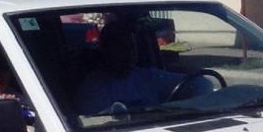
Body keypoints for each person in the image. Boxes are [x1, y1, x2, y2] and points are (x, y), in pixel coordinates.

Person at [74, 21, 210, 114]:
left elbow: (200, 84)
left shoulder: (148, 76)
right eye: (122, 48)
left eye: (133, 47)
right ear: (106, 50)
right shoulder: (94, 88)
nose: (130, 53)